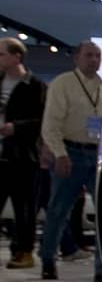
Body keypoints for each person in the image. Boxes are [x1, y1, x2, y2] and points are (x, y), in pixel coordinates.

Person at [38, 40, 102, 282]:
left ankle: (101, 267)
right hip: (71, 152)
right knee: (58, 209)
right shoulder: (64, 84)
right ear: (77, 58)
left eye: (98, 56)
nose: (94, 60)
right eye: (89, 55)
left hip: (97, 154)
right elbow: (51, 123)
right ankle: (48, 260)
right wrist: (59, 153)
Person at [1, 37, 48, 268]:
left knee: (24, 209)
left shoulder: (35, 86)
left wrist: (16, 127)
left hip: (23, 156)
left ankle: (24, 252)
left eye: (1, 54)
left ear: (16, 56)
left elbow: (43, 121)